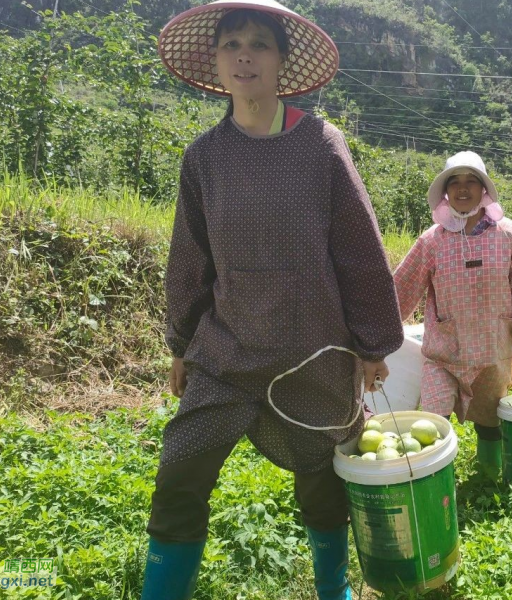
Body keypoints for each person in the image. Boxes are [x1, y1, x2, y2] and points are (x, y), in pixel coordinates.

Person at [146, 3, 404, 599]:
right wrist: (180, 345)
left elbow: (360, 249)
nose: (244, 54)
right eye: (231, 42)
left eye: (259, 44)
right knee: (180, 471)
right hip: (226, 349)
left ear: (282, 62)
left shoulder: (321, 145)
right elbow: (189, 259)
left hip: (314, 348)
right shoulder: (204, 157)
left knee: (321, 483)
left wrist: (371, 344)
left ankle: (332, 590)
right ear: (214, 61)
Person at [393, 151, 512, 479]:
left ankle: (488, 477)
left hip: (491, 351)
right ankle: (433, 482)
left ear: (483, 190)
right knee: (431, 423)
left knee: (490, 421)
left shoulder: (508, 234)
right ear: (446, 193)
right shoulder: (432, 241)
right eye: (455, 183)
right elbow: (401, 287)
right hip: (443, 352)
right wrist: (377, 333)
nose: (463, 189)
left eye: (471, 182)